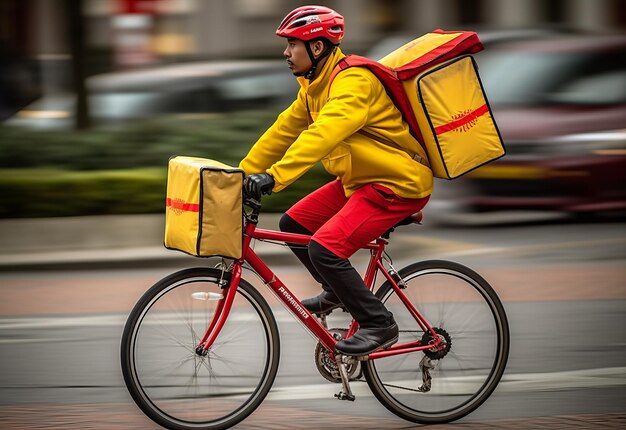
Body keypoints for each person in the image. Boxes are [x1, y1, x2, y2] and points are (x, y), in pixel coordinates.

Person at [240, 5, 433, 356]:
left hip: (396, 184)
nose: (285, 53)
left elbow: (324, 135)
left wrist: (274, 178)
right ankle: (337, 292)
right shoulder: (314, 86)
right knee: (294, 224)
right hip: (361, 180)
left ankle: (379, 323)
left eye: (291, 44)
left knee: (325, 248)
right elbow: (282, 131)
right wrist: (239, 175)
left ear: (316, 47)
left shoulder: (353, 82)